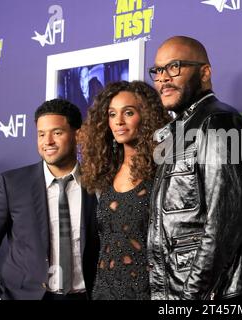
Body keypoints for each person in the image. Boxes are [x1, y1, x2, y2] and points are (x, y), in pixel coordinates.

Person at [147, 36, 242, 300]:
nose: (163, 78)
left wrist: (192, 296)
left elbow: (225, 222)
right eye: (158, 70)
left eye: (174, 67)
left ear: (205, 72)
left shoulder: (222, 123)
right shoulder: (180, 130)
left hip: (217, 292)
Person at [0, 99, 99, 300]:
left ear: (78, 135)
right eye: (41, 134)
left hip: (84, 295)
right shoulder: (12, 184)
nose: (48, 141)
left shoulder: (98, 183)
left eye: (57, 133)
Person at [78, 81, 169, 300]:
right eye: (111, 114)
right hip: (104, 291)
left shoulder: (164, 170)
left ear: (147, 117)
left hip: (148, 293)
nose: (118, 121)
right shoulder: (106, 173)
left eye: (128, 112)